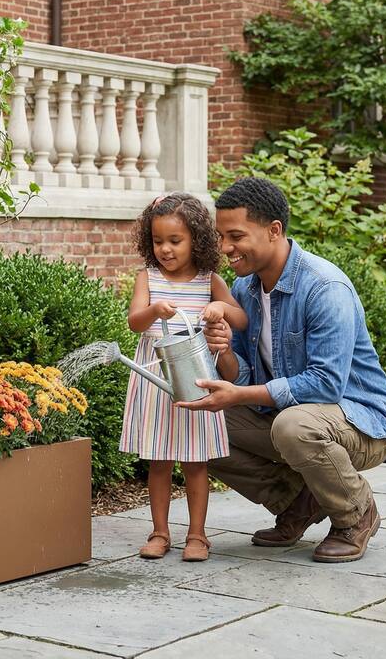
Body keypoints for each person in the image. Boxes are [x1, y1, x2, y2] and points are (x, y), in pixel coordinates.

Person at [178, 177, 386, 563]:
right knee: (195, 418)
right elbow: (246, 376)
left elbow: (326, 385)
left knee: (294, 426)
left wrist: (241, 395)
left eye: (236, 236)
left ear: (274, 230)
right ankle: (298, 500)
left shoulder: (324, 287)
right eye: (221, 237)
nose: (226, 248)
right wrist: (225, 352)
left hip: (362, 424)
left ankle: (356, 513)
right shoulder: (246, 288)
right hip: (293, 417)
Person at [120, 192, 248, 561]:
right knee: (159, 460)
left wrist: (220, 307)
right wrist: (153, 310)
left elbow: (241, 319)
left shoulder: (210, 280)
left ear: (197, 239)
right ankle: (160, 532)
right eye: (158, 241)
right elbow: (133, 322)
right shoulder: (148, 277)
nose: (165, 249)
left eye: (175, 241)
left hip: (195, 377)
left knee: (196, 461)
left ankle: (197, 535)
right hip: (157, 378)